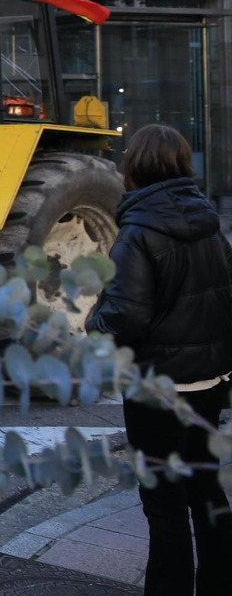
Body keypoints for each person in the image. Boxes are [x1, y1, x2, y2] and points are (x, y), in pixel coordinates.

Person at [87, 123, 232, 595]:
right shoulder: (210, 223)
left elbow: (125, 316)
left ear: (136, 166)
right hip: (210, 381)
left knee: (164, 503)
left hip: (156, 386)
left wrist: (93, 322)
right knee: (206, 489)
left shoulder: (138, 232)